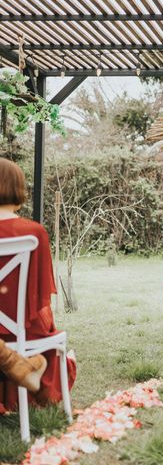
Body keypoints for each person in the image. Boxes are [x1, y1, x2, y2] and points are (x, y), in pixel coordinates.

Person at [0, 158, 77, 413]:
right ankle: (51, 372)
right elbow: (42, 296)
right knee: (47, 327)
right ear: (18, 188)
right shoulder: (34, 232)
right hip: (23, 330)